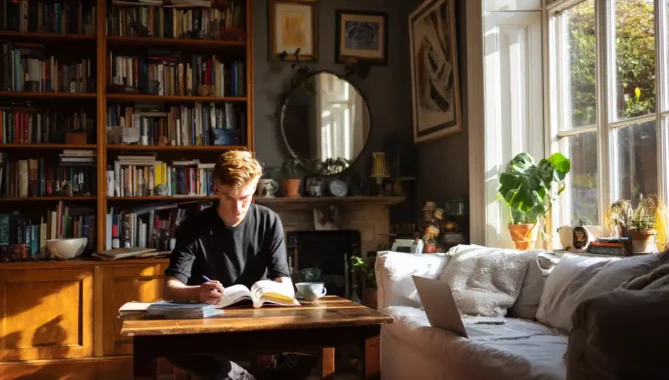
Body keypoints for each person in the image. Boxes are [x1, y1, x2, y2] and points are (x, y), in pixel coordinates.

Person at [162, 150, 292, 380]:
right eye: (229, 197)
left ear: (255, 188)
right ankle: (238, 375)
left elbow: (283, 281)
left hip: (257, 322)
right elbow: (170, 287)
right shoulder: (194, 227)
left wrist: (281, 292)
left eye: (245, 198)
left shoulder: (269, 221)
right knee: (168, 345)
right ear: (216, 189)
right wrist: (196, 292)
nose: (237, 208)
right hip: (209, 326)